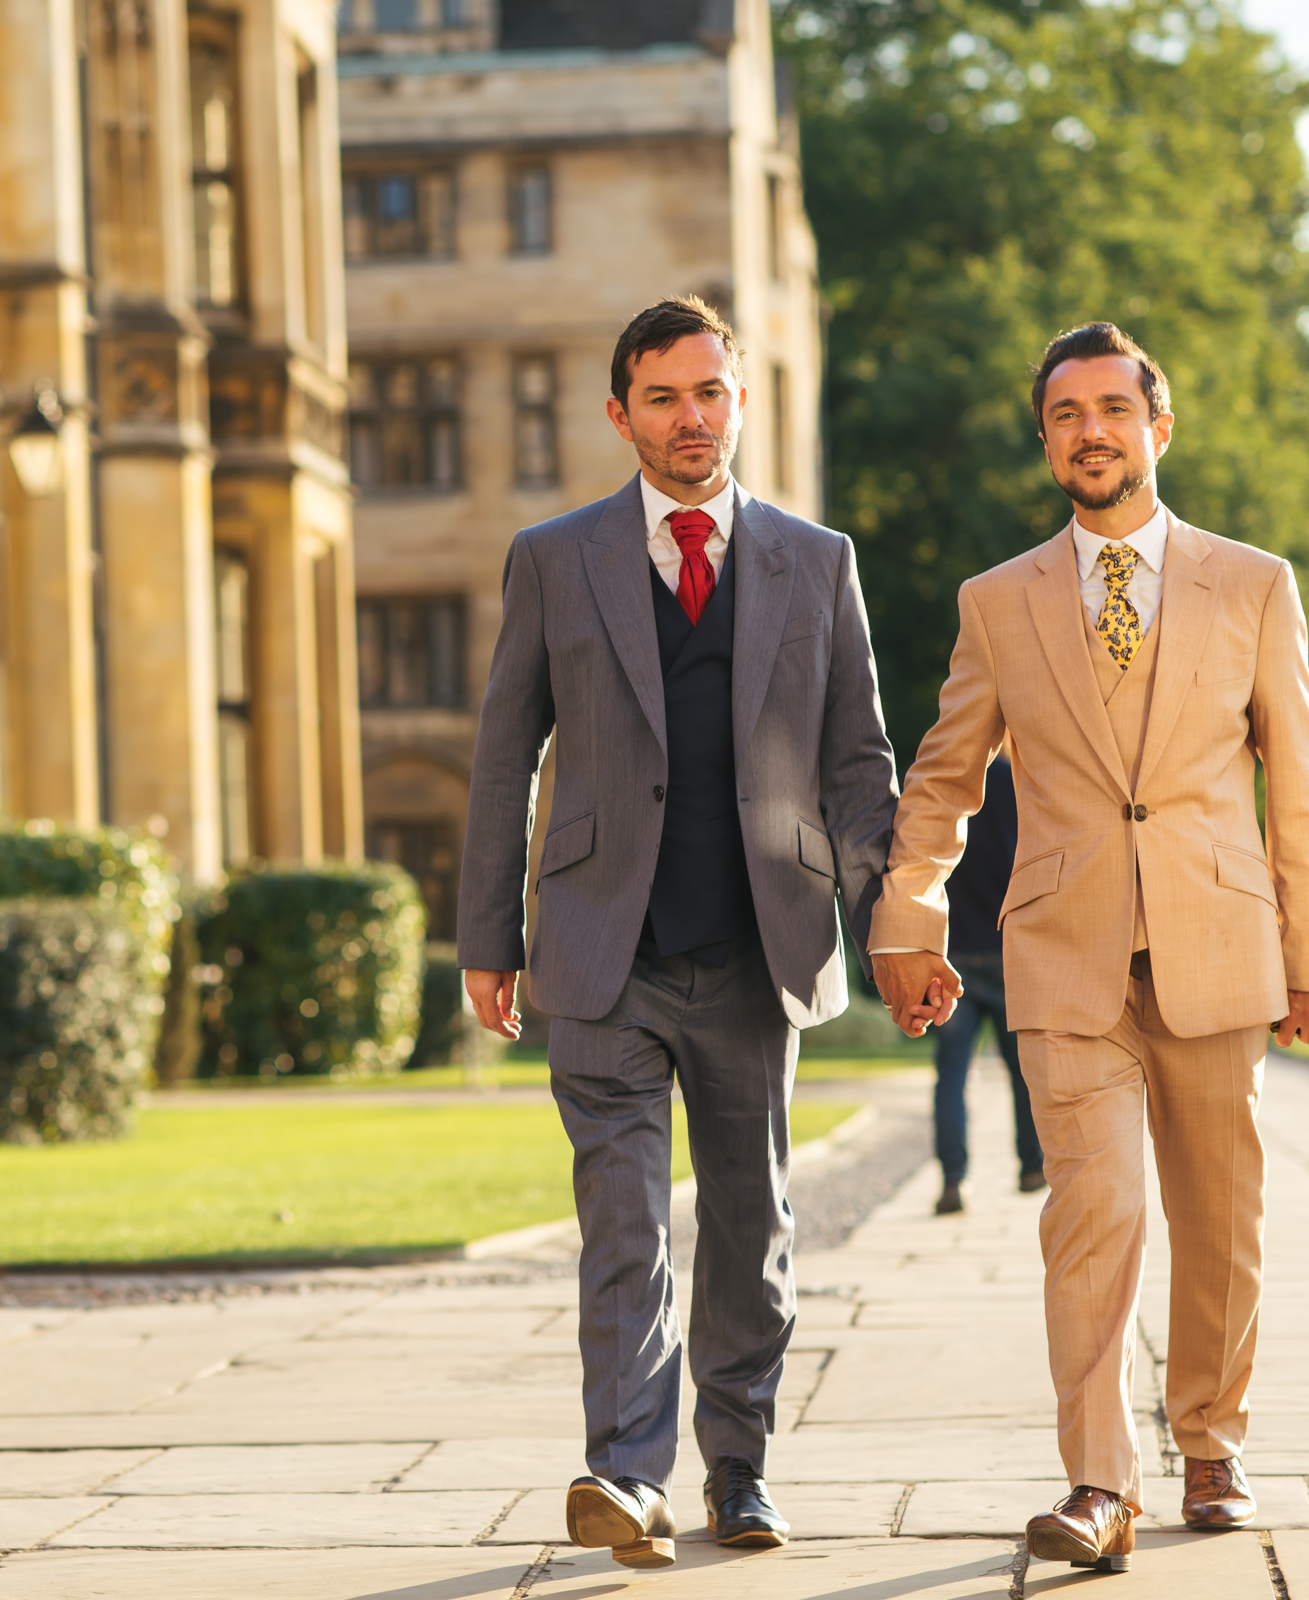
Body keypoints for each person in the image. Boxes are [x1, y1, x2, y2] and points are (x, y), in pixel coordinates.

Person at [867, 323, 1309, 1573]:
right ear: (1047, 443)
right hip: (1066, 956)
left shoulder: (1253, 584)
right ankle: (1098, 1481)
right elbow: (941, 781)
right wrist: (909, 913)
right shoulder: (998, 601)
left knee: (1220, 1215)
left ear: (1157, 427)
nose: (1091, 431)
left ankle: (1211, 1443)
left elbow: (1298, 775)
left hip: (1219, 940)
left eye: (1111, 409)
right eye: (1066, 414)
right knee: (1093, 1213)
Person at [456, 296, 899, 1569]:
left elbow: (858, 760)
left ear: (741, 402)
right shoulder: (556, 555)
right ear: (621, 414)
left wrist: (885, 918)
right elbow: (504, 754)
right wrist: (490, 932)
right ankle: (626, 1472)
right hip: (602, 949)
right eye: (662, 396)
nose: (690, 417)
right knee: (626, 1222)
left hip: (760, 948)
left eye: (710, 391)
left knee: (752, 1226)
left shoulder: (817, 561)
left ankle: (741, 1463)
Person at [928, 754, 1045, 1215]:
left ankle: (954, 1178)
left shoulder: (947, 778)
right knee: (1024, 1071)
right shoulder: (1021, 782)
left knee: (953, 1075)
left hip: (953, 950)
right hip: (1007, 950)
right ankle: (1032, 1165)